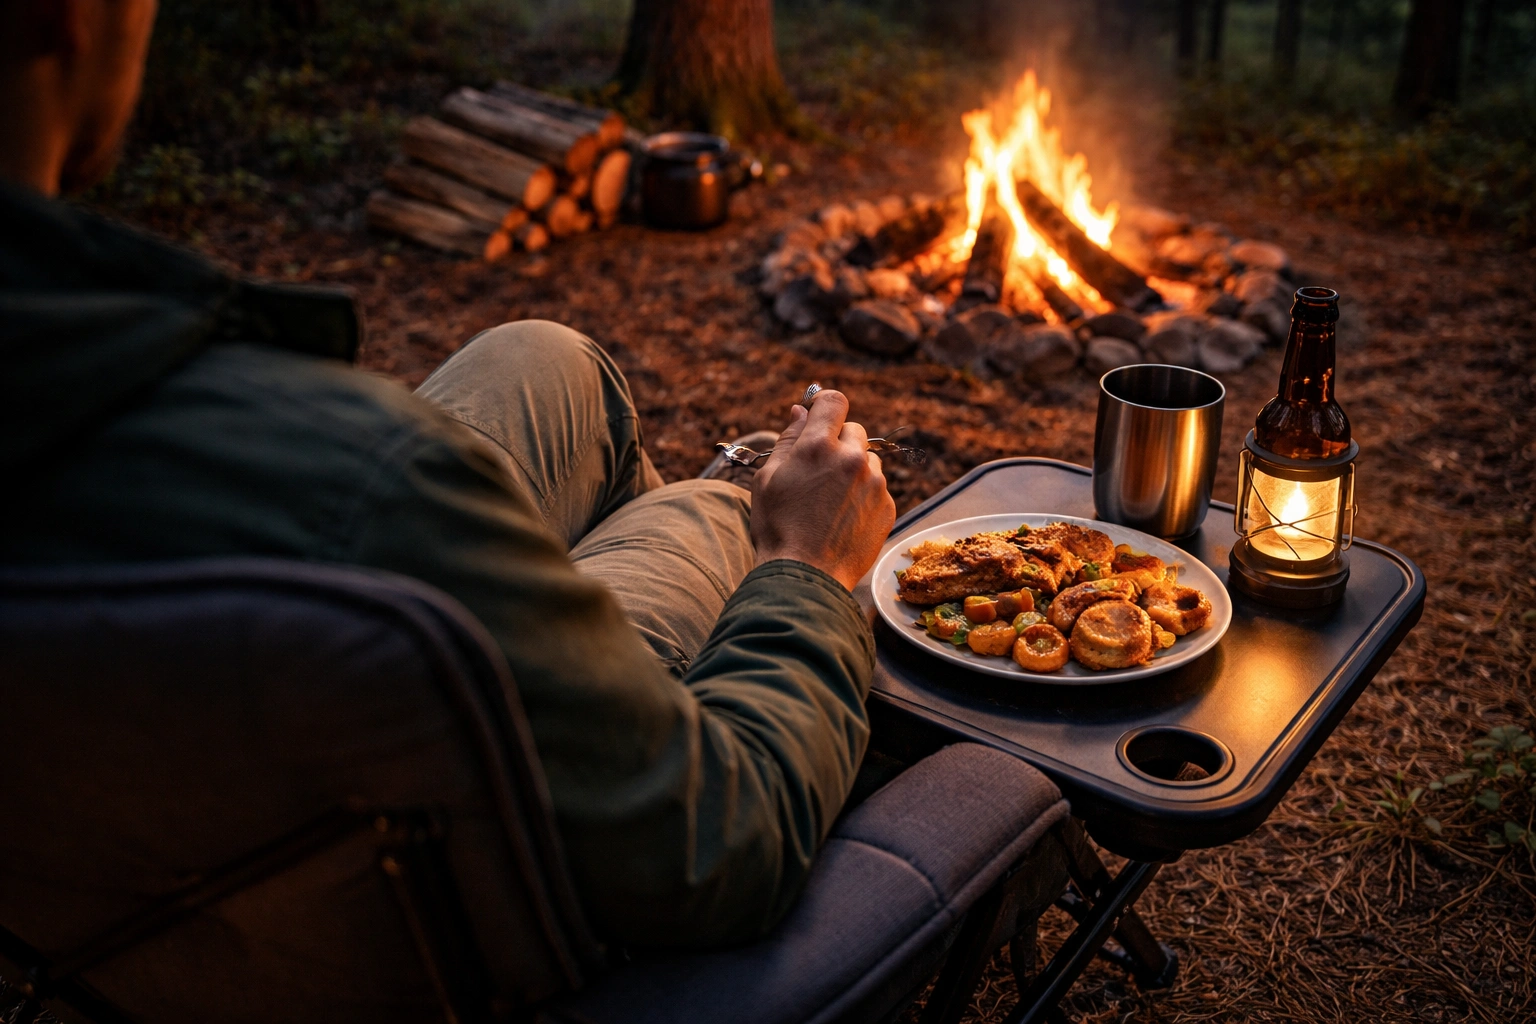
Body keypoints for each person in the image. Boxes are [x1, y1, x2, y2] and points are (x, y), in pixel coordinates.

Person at [0, 0, 897, 947]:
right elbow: (721, 845)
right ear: (69, 17)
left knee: (544, 358)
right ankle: (649, 668)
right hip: (414, 900)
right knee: (721, 510)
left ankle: (597, 634)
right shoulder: (368, 483)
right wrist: (808, 567)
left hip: (170, 803)